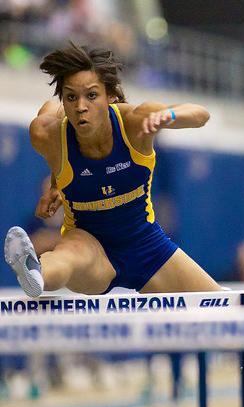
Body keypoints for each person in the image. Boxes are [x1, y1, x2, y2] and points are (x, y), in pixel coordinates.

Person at [4, 42, 222, 297]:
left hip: (148, 247)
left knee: (220, 304)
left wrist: (169, 115)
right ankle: (34, 272)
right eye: (71, 97)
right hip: (92, 248)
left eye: (92, 95)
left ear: (111, 97)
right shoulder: (47, 133)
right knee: (67, 256)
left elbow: (201, 114)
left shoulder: (135, 121)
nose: (81, 107)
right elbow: (51, 124)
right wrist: (55, 184)